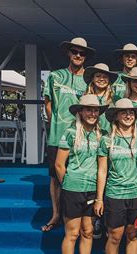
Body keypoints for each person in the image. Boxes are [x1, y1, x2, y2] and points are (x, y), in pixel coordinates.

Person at [55, 94, 108, 254]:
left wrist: (99, 196)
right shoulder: (69, 132)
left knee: (88, 231)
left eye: (95, 110)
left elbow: (102, 167)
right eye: (88, 109)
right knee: (72, 233)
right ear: (80, 111)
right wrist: (69, 184)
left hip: (93, 190)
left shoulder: (101, 134)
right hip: (73, 190)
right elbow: (59, 165)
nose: (92, 113)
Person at [42, 37, 95, 232]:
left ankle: (78, 215)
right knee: (56, 176)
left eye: (82, 53)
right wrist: (57, 123)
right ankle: (56, 214)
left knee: (81, 173)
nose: (78, 56)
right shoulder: (55, 76)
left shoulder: (89, 80)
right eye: (75, 52)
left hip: (81, 136)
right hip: (58, 135)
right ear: (69, 53)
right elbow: (48, 104)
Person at [95, 98, 137, 254]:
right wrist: (99, 198)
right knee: (115, 236)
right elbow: (102, 171)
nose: (128, 115)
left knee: (133, 234)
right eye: (123, 112)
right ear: (115, 116)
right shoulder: (107, 140)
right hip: (115, 193)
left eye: (131, 112)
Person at [84, 63, 118, 133]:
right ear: (92, 79)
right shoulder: (85, 98)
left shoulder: (116, 99)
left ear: (109, 80)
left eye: (105, 76)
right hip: (91, 137)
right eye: (98, 76)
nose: (101, 79)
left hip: (109, 138)